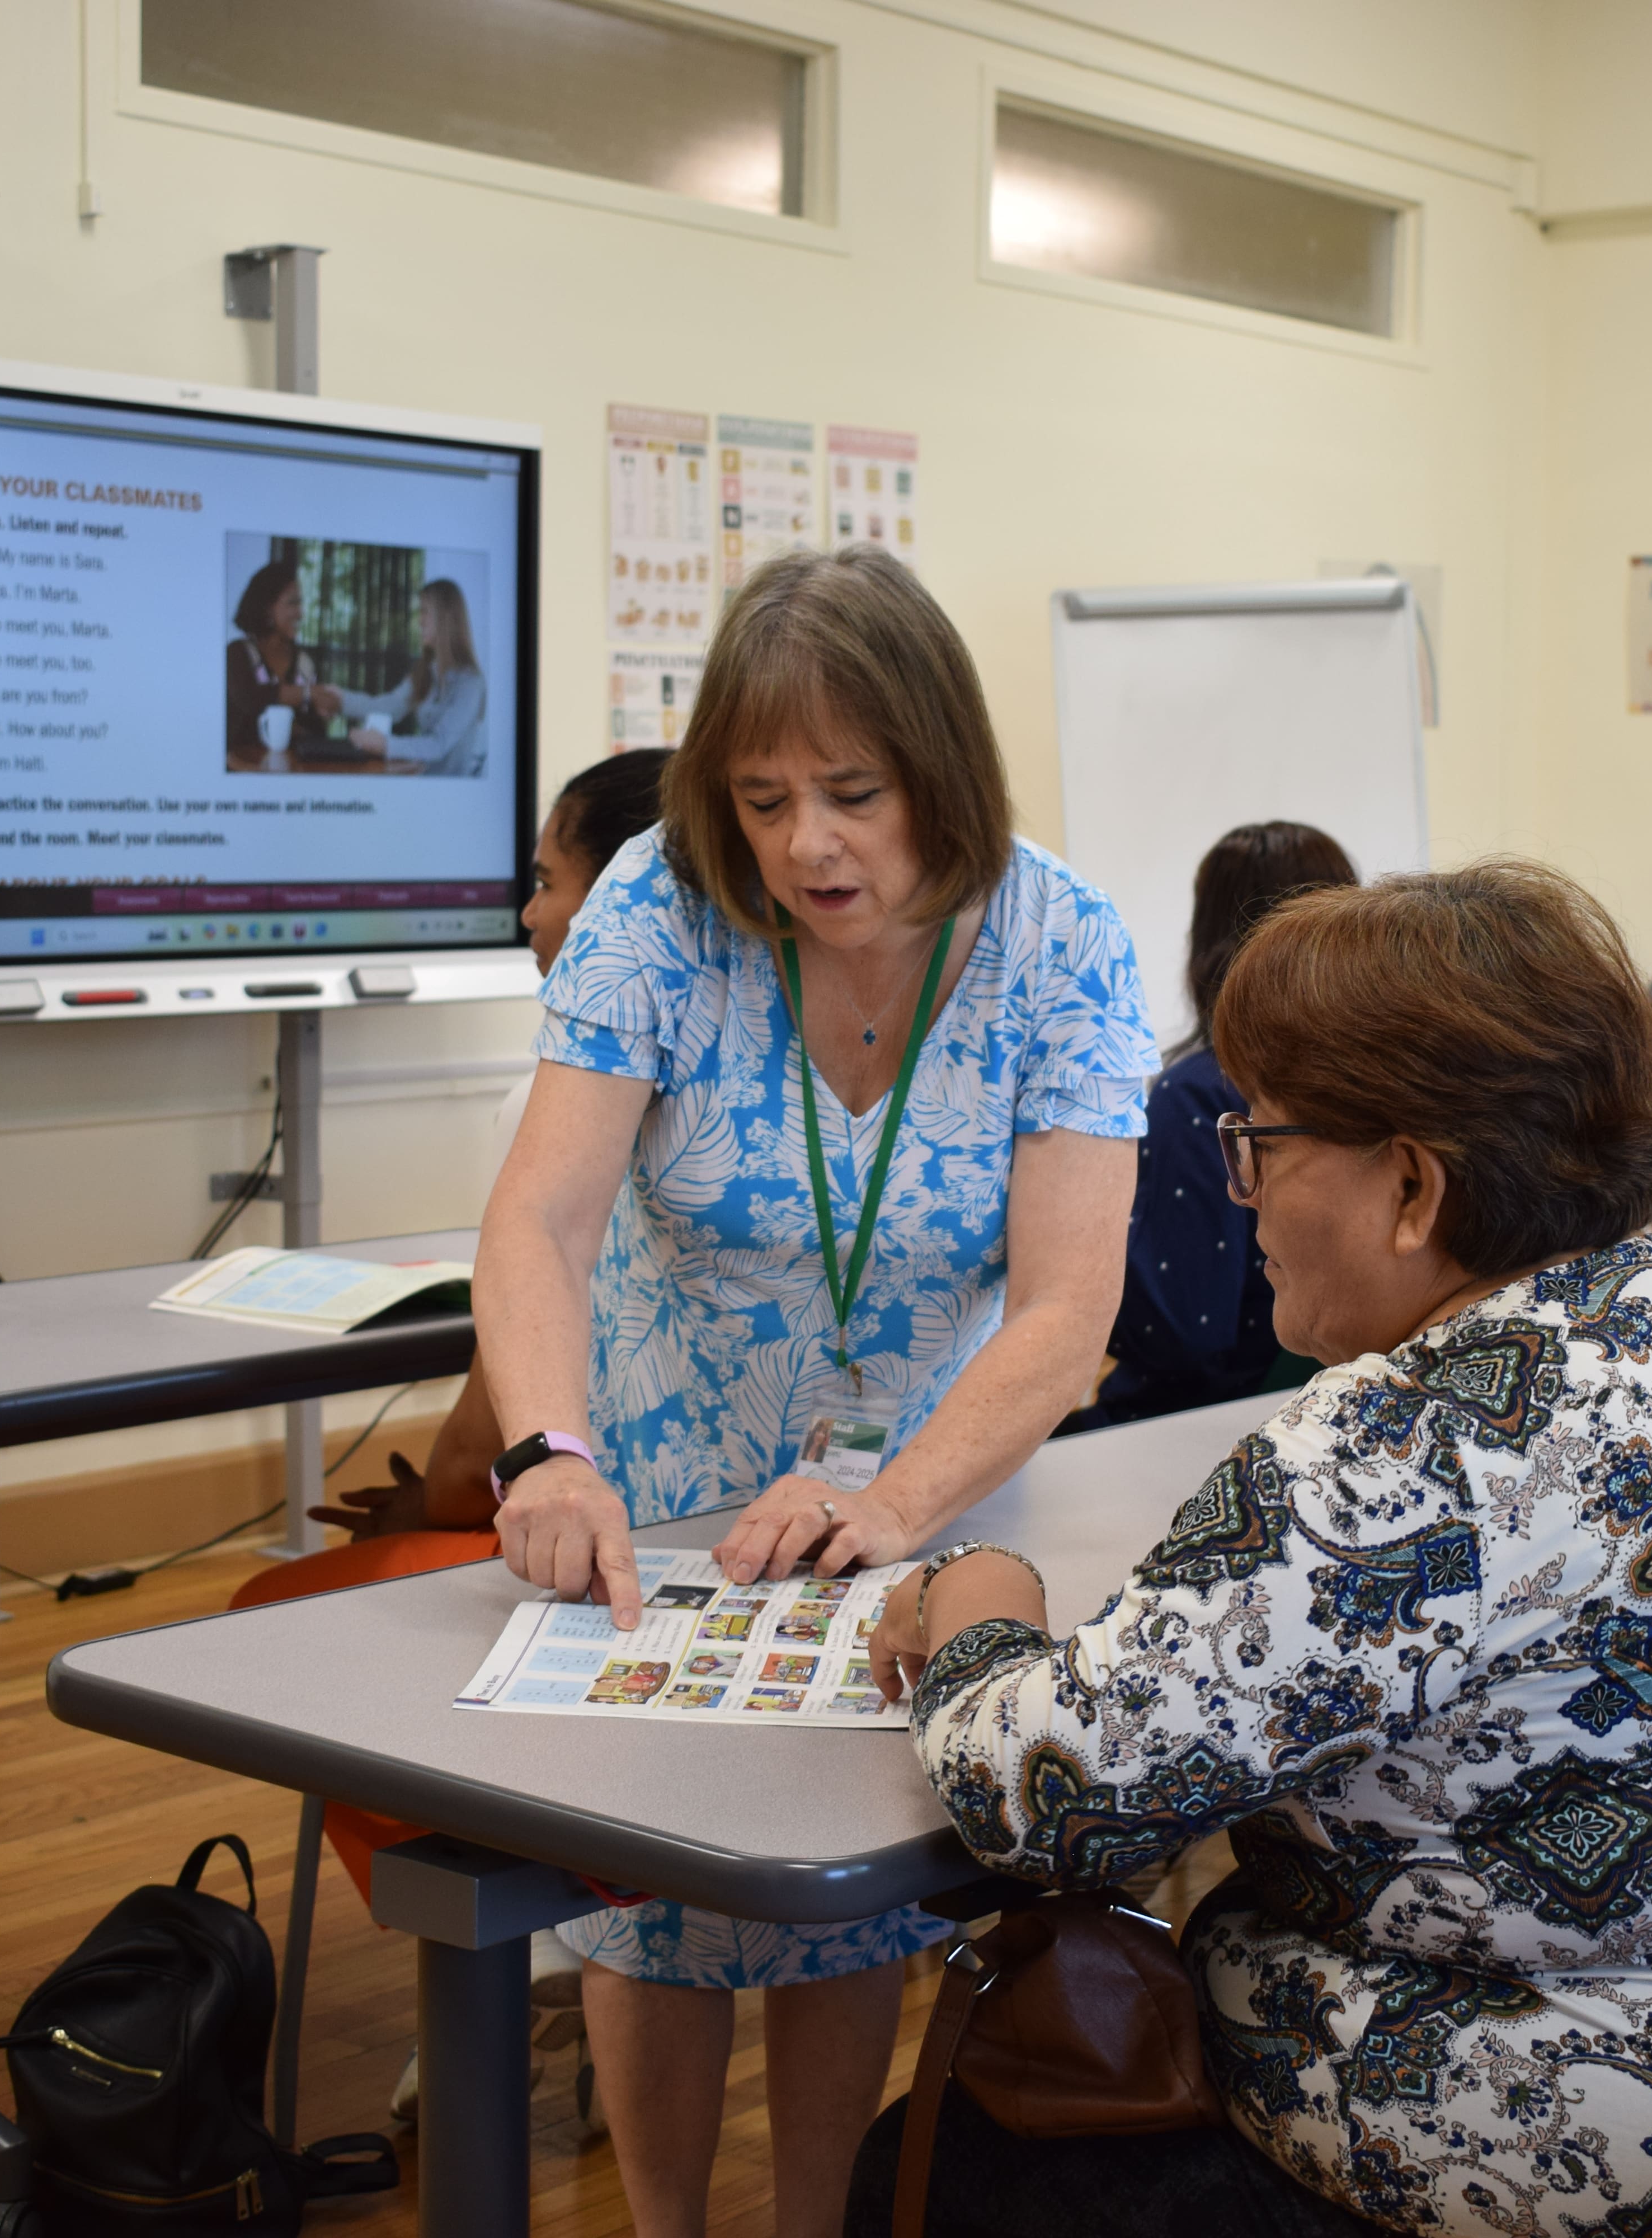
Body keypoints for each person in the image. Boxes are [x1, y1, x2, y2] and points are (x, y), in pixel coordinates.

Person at [858, 861, 1652, 2238]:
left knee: (937, 2163)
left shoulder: (1400, 1450)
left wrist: (981, 1602)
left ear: (1411, 1186)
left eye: (1265, 1146)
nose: (1240, 1190)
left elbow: (1047, 1795)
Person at [474, 546, 1151, 2238]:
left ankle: (811, 2226)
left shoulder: (1059, 940)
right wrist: (545, 1450)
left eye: (850, 794)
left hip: (914, 1490)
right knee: (652, 1911)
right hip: (664, 1491)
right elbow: (540, 1216)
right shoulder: (657, 902)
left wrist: (894, 1505)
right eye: (764, 798)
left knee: (849, 1901)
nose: (804, 846)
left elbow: (1066, 1309)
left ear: (941, 774)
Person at [312, 748, 674, 1541]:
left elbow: (476, 1462)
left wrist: (419, 1513)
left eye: (549, 884)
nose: (529, 915)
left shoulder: (547, 1113)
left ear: (624, 898)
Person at [1083, 820, 1357, 1427]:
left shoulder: (1199, 1096)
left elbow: (1183, 1331)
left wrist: (1066, 1257)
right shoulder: (1370, 1090)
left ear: (1207, 939)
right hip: (1318, 1408)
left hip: (1188, 1428)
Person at [338, 576, 490, 775]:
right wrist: (341, 701)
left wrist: (384, 745)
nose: (419, 621)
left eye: (425, 611)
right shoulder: (425, 671)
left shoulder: (471, 683)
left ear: (445, 617)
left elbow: (439, 744)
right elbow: (390, 706)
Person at [224, 557, 345, 765]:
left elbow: (316, 732)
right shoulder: (237, 654)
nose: (301, 613)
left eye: (301, 604)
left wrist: (323, 712)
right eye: (293, 603)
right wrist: (307, 694)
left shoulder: (305, 663)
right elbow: (250, 702)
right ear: (267, 608)